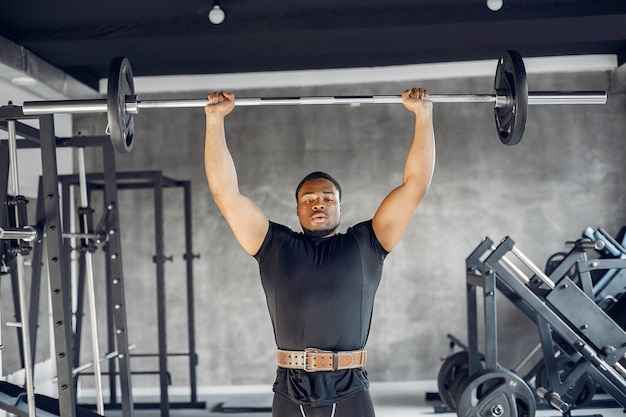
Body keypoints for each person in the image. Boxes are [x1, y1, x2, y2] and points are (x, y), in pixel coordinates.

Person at [204, 88, 435, 417]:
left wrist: (423, 115)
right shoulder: (274, 246)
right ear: (297, 210)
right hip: (290, 386)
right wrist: (215, 119)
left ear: (341, 207)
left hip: (348, 386)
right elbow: (225, 194)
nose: (318, 203)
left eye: (327, 198)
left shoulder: (367, 243)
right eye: (308, 199)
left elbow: (415, 186)